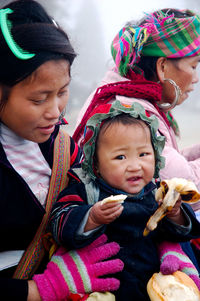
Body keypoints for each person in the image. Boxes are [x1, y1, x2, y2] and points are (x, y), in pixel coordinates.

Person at [0, 1, 123, 300]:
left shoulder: (64, 148)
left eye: (62, 92)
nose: (55, 111)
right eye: (40, 98)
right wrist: (40, 290)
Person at [50, 100, 200, 301]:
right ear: (95, 163)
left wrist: (176, 214)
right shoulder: (87, 192)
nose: (134, 166)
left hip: (152, 284)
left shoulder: (156, 192)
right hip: (107, 284)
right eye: (120, 157)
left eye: (144, 154)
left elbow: (183, 234)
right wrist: (91, 218)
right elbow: (59, 223)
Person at [73, 8, 200, 215]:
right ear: (163, 67)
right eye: (193, 67)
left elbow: (160, 164)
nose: (195, 78)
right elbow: (183, 188)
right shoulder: (128, 110)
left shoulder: (128, 95)